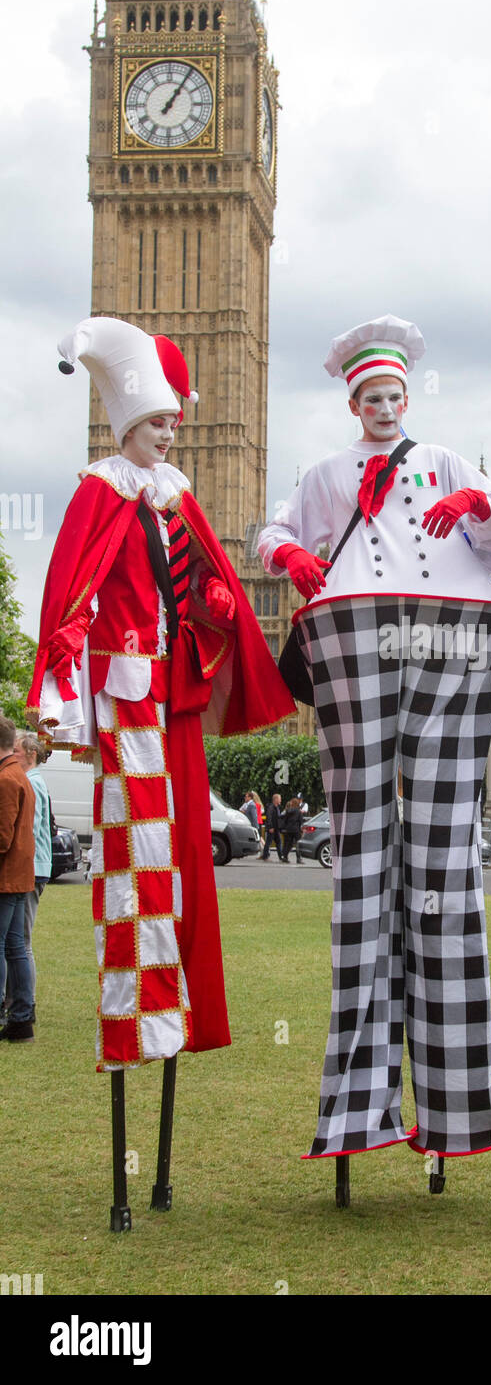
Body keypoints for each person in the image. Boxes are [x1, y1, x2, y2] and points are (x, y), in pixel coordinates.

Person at [258, 314, 491, 1161]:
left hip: (448, 629)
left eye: (394, 396)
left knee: (446, 856)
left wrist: (473, 500)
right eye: (371, 396)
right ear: (353, 403)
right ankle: (358, 1105)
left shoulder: (441, 459)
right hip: (358, 631)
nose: (383, 407)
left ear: (407, 399)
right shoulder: (328, 474)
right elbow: (275, 531)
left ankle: (461, 1100)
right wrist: (290, 561)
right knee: (363, 855)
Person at [27, 316, 294, 1072]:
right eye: (158, 424)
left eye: (175, 424)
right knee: (139, 850)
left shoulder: (177, 496)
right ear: (129, 426)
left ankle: (180, 1012)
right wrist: (60, 672)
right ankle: (135, 1020)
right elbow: (71, 590)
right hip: (128, 691)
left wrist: (214, 595)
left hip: (172, 694)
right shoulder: (101, 492)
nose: (170, 435)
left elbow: (207, 595)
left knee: (181, 856)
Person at [10, 733, 52, 1024]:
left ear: (31, 755)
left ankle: (26, 1003)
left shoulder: (32, 783)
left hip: (32, 868)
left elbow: (32, 830)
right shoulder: (33, 781)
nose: (12, 756)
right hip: (35, 866)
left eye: (16, 751)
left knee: (22, 941)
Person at [0, 714, 36, 1042]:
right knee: (15, 946)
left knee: (6, 945)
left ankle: (17, 1013)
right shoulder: (18, 774)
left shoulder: (6, 779)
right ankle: (22, 1018)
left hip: (6, 876)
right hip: (19, 875)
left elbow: (2, 837)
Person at [280, 797, 303, 865]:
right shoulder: (299, 811)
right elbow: (300, 821)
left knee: (288, 844)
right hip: (296, 830)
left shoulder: (288, 811)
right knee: (298, 844)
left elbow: (285, 820)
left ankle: (285, 857)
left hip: (288, 829)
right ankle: (298, 858)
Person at [262, 793, 284, 861]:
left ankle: (281, 857)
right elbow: (269, 817)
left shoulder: (277, 807)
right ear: (275, 799)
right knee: (269, 842)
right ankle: (265, 856)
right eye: (279, 799)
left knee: (278, 842)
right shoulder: (271, 807)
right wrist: (270, 827)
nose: (280, 800)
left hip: (276, 828)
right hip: (272, 828)